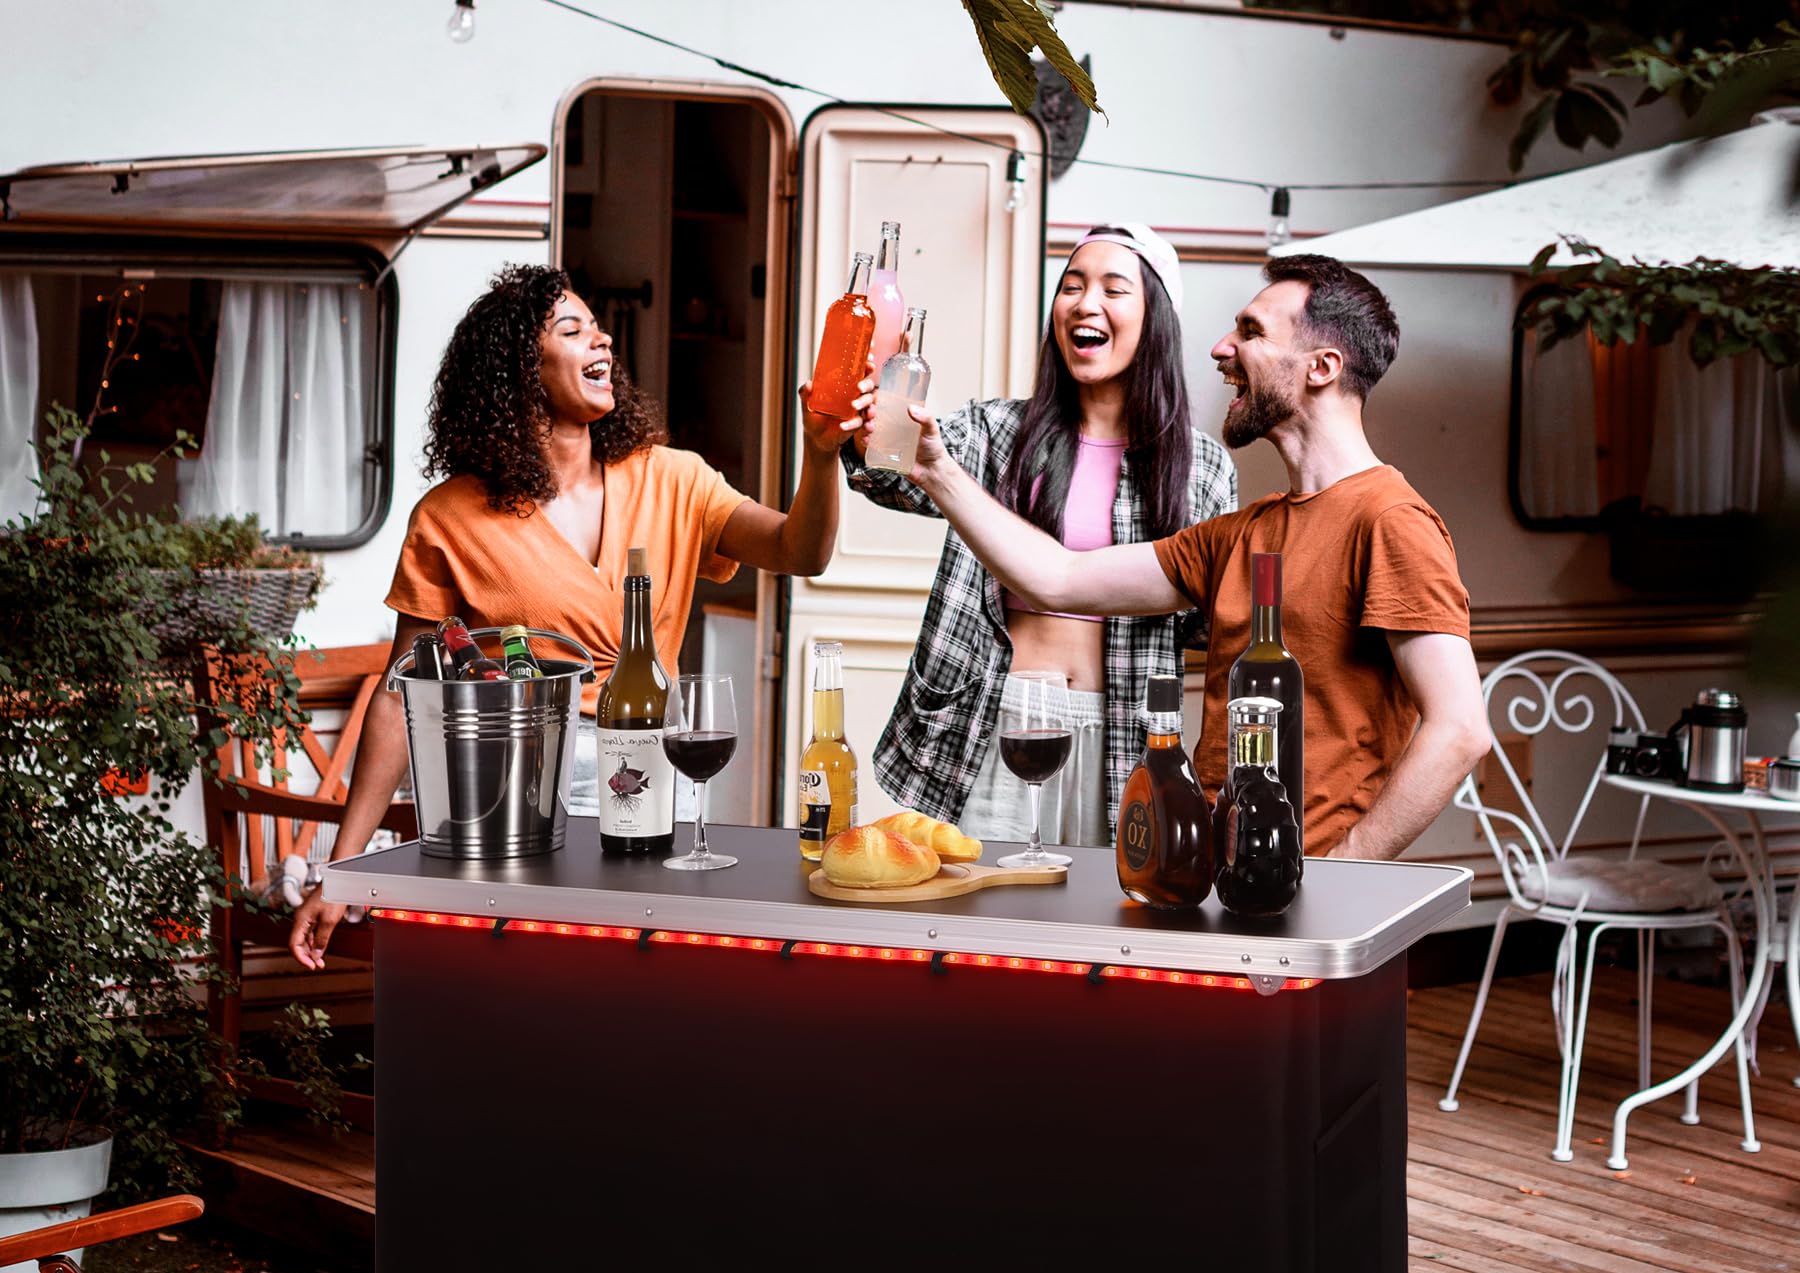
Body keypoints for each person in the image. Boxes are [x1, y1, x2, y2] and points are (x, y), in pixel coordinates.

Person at [290, 262, 865, 969]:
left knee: (641, 978)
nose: (603, 341)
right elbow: (398, 696)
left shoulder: (674, 478)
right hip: (516, 794)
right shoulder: (449, 517)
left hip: (654, 773)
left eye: (599, 328)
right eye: (573, 330)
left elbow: (800, 551)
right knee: (531, 984)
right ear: (519, 371)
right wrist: (342, 869)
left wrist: (820, 456)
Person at [896, 253, 1491, 859]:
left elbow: (1460, 729)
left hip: (1312, 887)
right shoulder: (1240, 534)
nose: (1220, 348)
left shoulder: (1392, 522)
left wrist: (1346, 868)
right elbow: (1059, 577)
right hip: (1213, 875)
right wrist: (937, 471)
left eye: (1251, 332)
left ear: (1321, 367)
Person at [842, 223, 1237, 848]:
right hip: (997, 719)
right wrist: (879, 407)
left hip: (1122, 732)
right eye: (1072, 286)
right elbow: (891, 476)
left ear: (1156, 319)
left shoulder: (1202, 466)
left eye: (1113, 289)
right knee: (987, 895)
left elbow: (1202, 624)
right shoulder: (997, 431)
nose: (1085, 303)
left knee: (1104, 901)